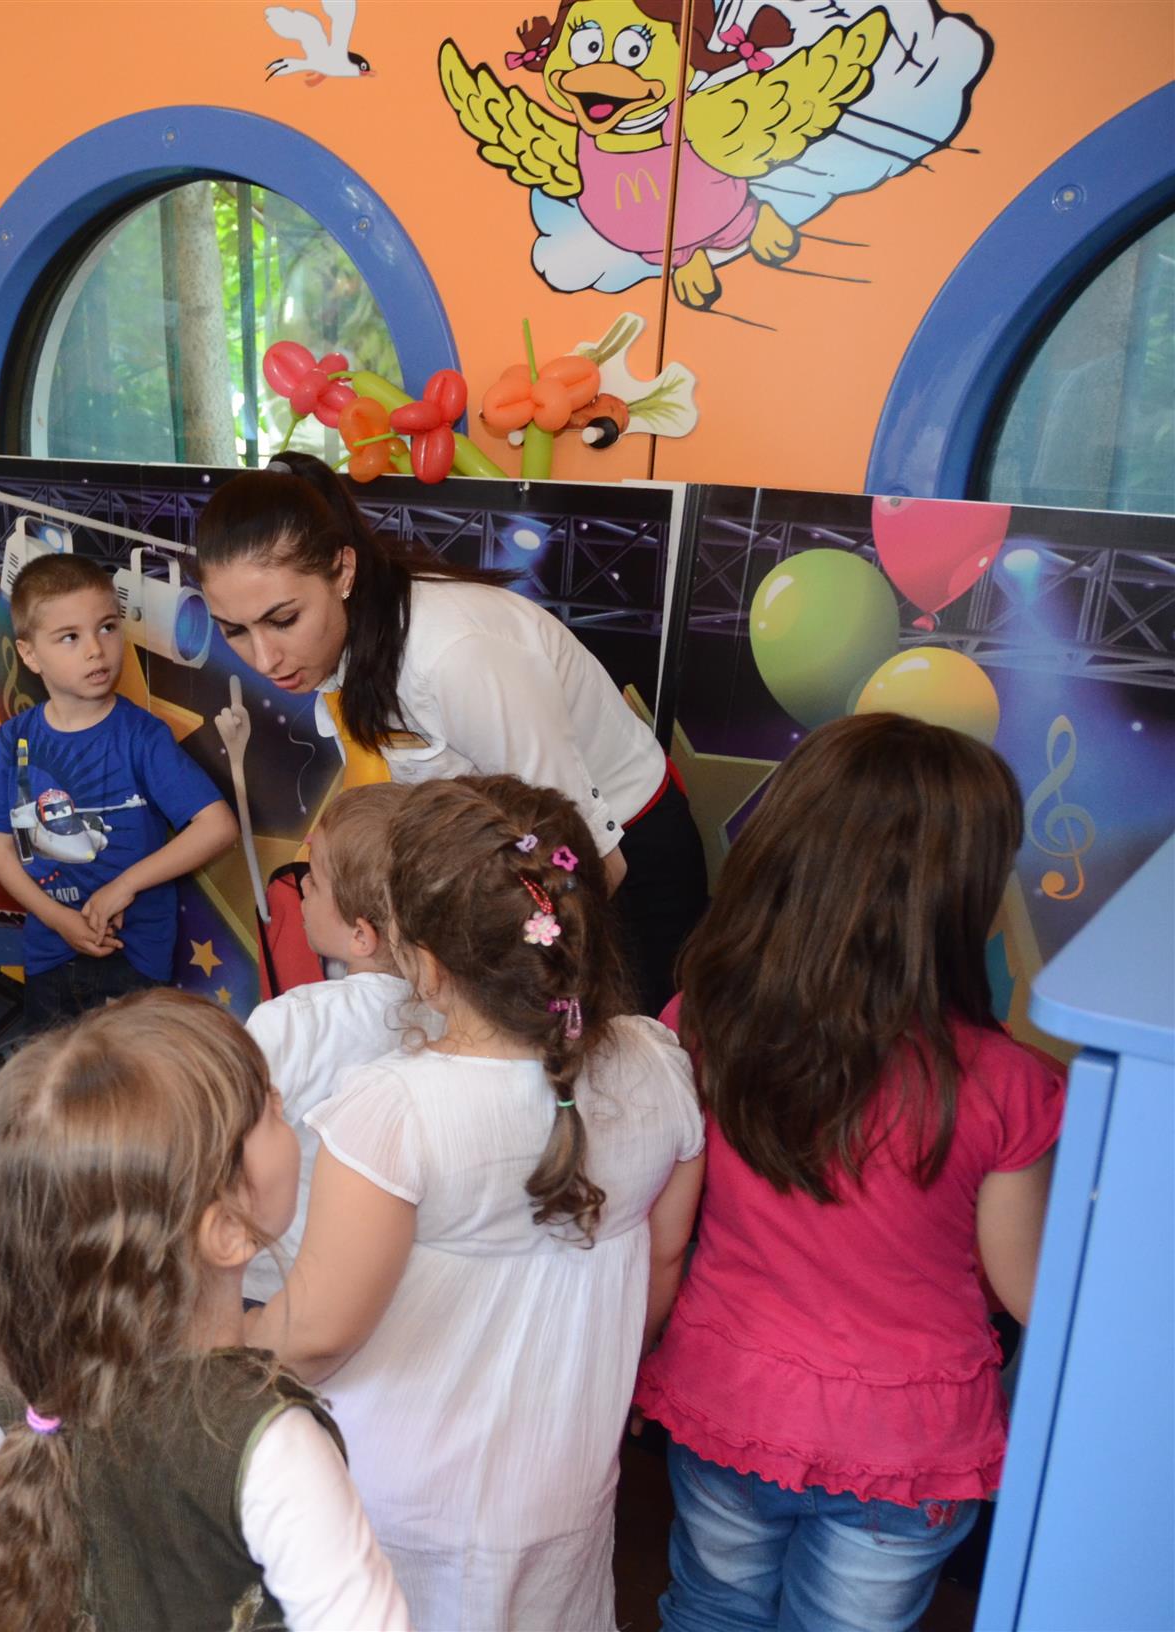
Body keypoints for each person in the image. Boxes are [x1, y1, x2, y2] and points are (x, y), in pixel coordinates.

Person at [636, 714, 1064, 1632]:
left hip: (728, 1402)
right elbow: (1029, 1288)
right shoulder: (1009, 1086)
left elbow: (663, 1238)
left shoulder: (701, 1024)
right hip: (907, 1446)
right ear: (956, 896)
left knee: (711, 1610)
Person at [252, 776, 705, 1630]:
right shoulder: (658, 1064)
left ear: (421, 960)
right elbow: (664, 1259)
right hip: (566, 1484)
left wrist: (213, 1355)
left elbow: (317, 1331)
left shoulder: (393, 1111)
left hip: (401, 1507)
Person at [0, 991, 411, 1632]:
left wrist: (44, 1586)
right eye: (271, 1109)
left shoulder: (23, 1363)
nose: (285, 1108)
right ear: (227, 1230)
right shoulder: (273, 1445)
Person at [191, 452, 707, 1014]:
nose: (264, 659)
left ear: (344, 571)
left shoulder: (457, 655)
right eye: (234, 631)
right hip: (509, 868)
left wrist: (501, 994)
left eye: (284, 620)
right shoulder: (343, 639)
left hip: (621, 865)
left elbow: (587, 861)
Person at [0, 553, 237, 1027]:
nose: (96, 650)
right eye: (70, 637)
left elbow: (216, 826)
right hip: (49, 956)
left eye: (108, 627)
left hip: (135, 961)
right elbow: (0, 848)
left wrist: (124, 886)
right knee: (52, 1073)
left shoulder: (143, 736)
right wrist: (56, 918)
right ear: (29, 654)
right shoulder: (14, 740)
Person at [240, 781, 435, 1307]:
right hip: (392, 1286)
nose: (302, 887)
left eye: (316, 880)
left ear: (361, 936)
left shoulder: (292, 1022)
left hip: (279, 1283)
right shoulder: (458, 1021)